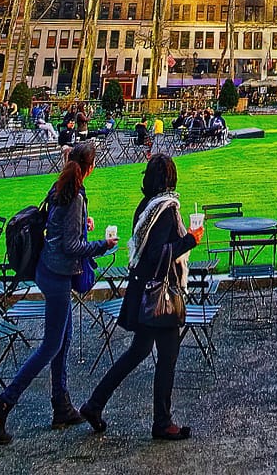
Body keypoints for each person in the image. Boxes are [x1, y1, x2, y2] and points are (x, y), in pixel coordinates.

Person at [0, 142, 114, 444]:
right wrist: (102, 246)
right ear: (90, 167)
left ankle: (61, 404)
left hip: (47, 270)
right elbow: (71, 247)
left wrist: (82, 226)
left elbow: (58, 228)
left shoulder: (60, 187)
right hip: (57, 276)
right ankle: (0, 408)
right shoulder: (76, 195)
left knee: (62, 341)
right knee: (50, 346)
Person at [80, 155, 203, 441]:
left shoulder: (146, 207)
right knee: (168, 357)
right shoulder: (167, 209)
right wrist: (190, 240)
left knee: (138, 351)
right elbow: (158, 253)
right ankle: (161, 422)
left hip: (142, 290)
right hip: (160, 295)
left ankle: (94, 404)